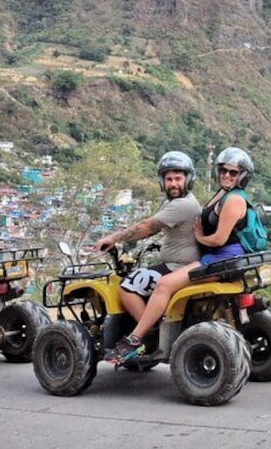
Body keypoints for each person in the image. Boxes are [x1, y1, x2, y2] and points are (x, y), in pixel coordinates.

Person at [104, 146, 256, 364]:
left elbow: (218, 239)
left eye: (232, 172)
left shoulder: (232, 200)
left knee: (154, 285)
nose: (226, 175)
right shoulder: (224, 195)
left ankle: (139, 338)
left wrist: (200, 237)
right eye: (223, 171)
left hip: (218, 259)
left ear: (242, 176)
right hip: (218, 258)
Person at [93, 151, 201, 321]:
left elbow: (147, 227)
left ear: (188, 180)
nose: (173, 184)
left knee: (127, 286)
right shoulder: (179, 201)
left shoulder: (182, 205)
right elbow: (156, 227)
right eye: (169, 179)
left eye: (178, 179)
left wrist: (113, 238)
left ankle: (147, 333)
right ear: (162, 182)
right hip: (180, 264)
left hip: (177, 267)